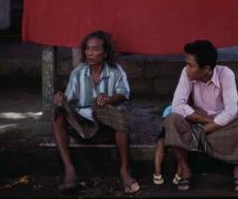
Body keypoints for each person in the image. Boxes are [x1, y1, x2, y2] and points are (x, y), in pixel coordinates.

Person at [52, 30, 140, 194]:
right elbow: (68, 99)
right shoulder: (78, 72)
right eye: (87, 49)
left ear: (105, 53)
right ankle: (69, 171)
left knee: (117, 117)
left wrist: (108, 99)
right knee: (57, 114)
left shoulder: (116, 71)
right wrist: (60, 98)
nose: (90, 53)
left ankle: (125, 171)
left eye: (96, 49)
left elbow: (124, 94)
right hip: (82, 125)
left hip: (106, 125)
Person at [163, 40, 238, 192]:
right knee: (171, 119)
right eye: (187, 64)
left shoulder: (226, 74)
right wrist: (206, 122)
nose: (187, 68)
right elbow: (177, 105)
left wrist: (204, 130)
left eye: (191, 65)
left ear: (206, 69)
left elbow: (231, 111)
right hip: (199, 122)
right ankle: (185, 170)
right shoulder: (186, 73)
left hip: (221, 126)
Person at [152, 105, 182, 186]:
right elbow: (164, 124)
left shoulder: (187, 109)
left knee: (180, 146)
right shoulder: (169, 108)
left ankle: (180, 173)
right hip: (167, 130)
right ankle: (157, 172)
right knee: (160, 143)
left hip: (180, 131)